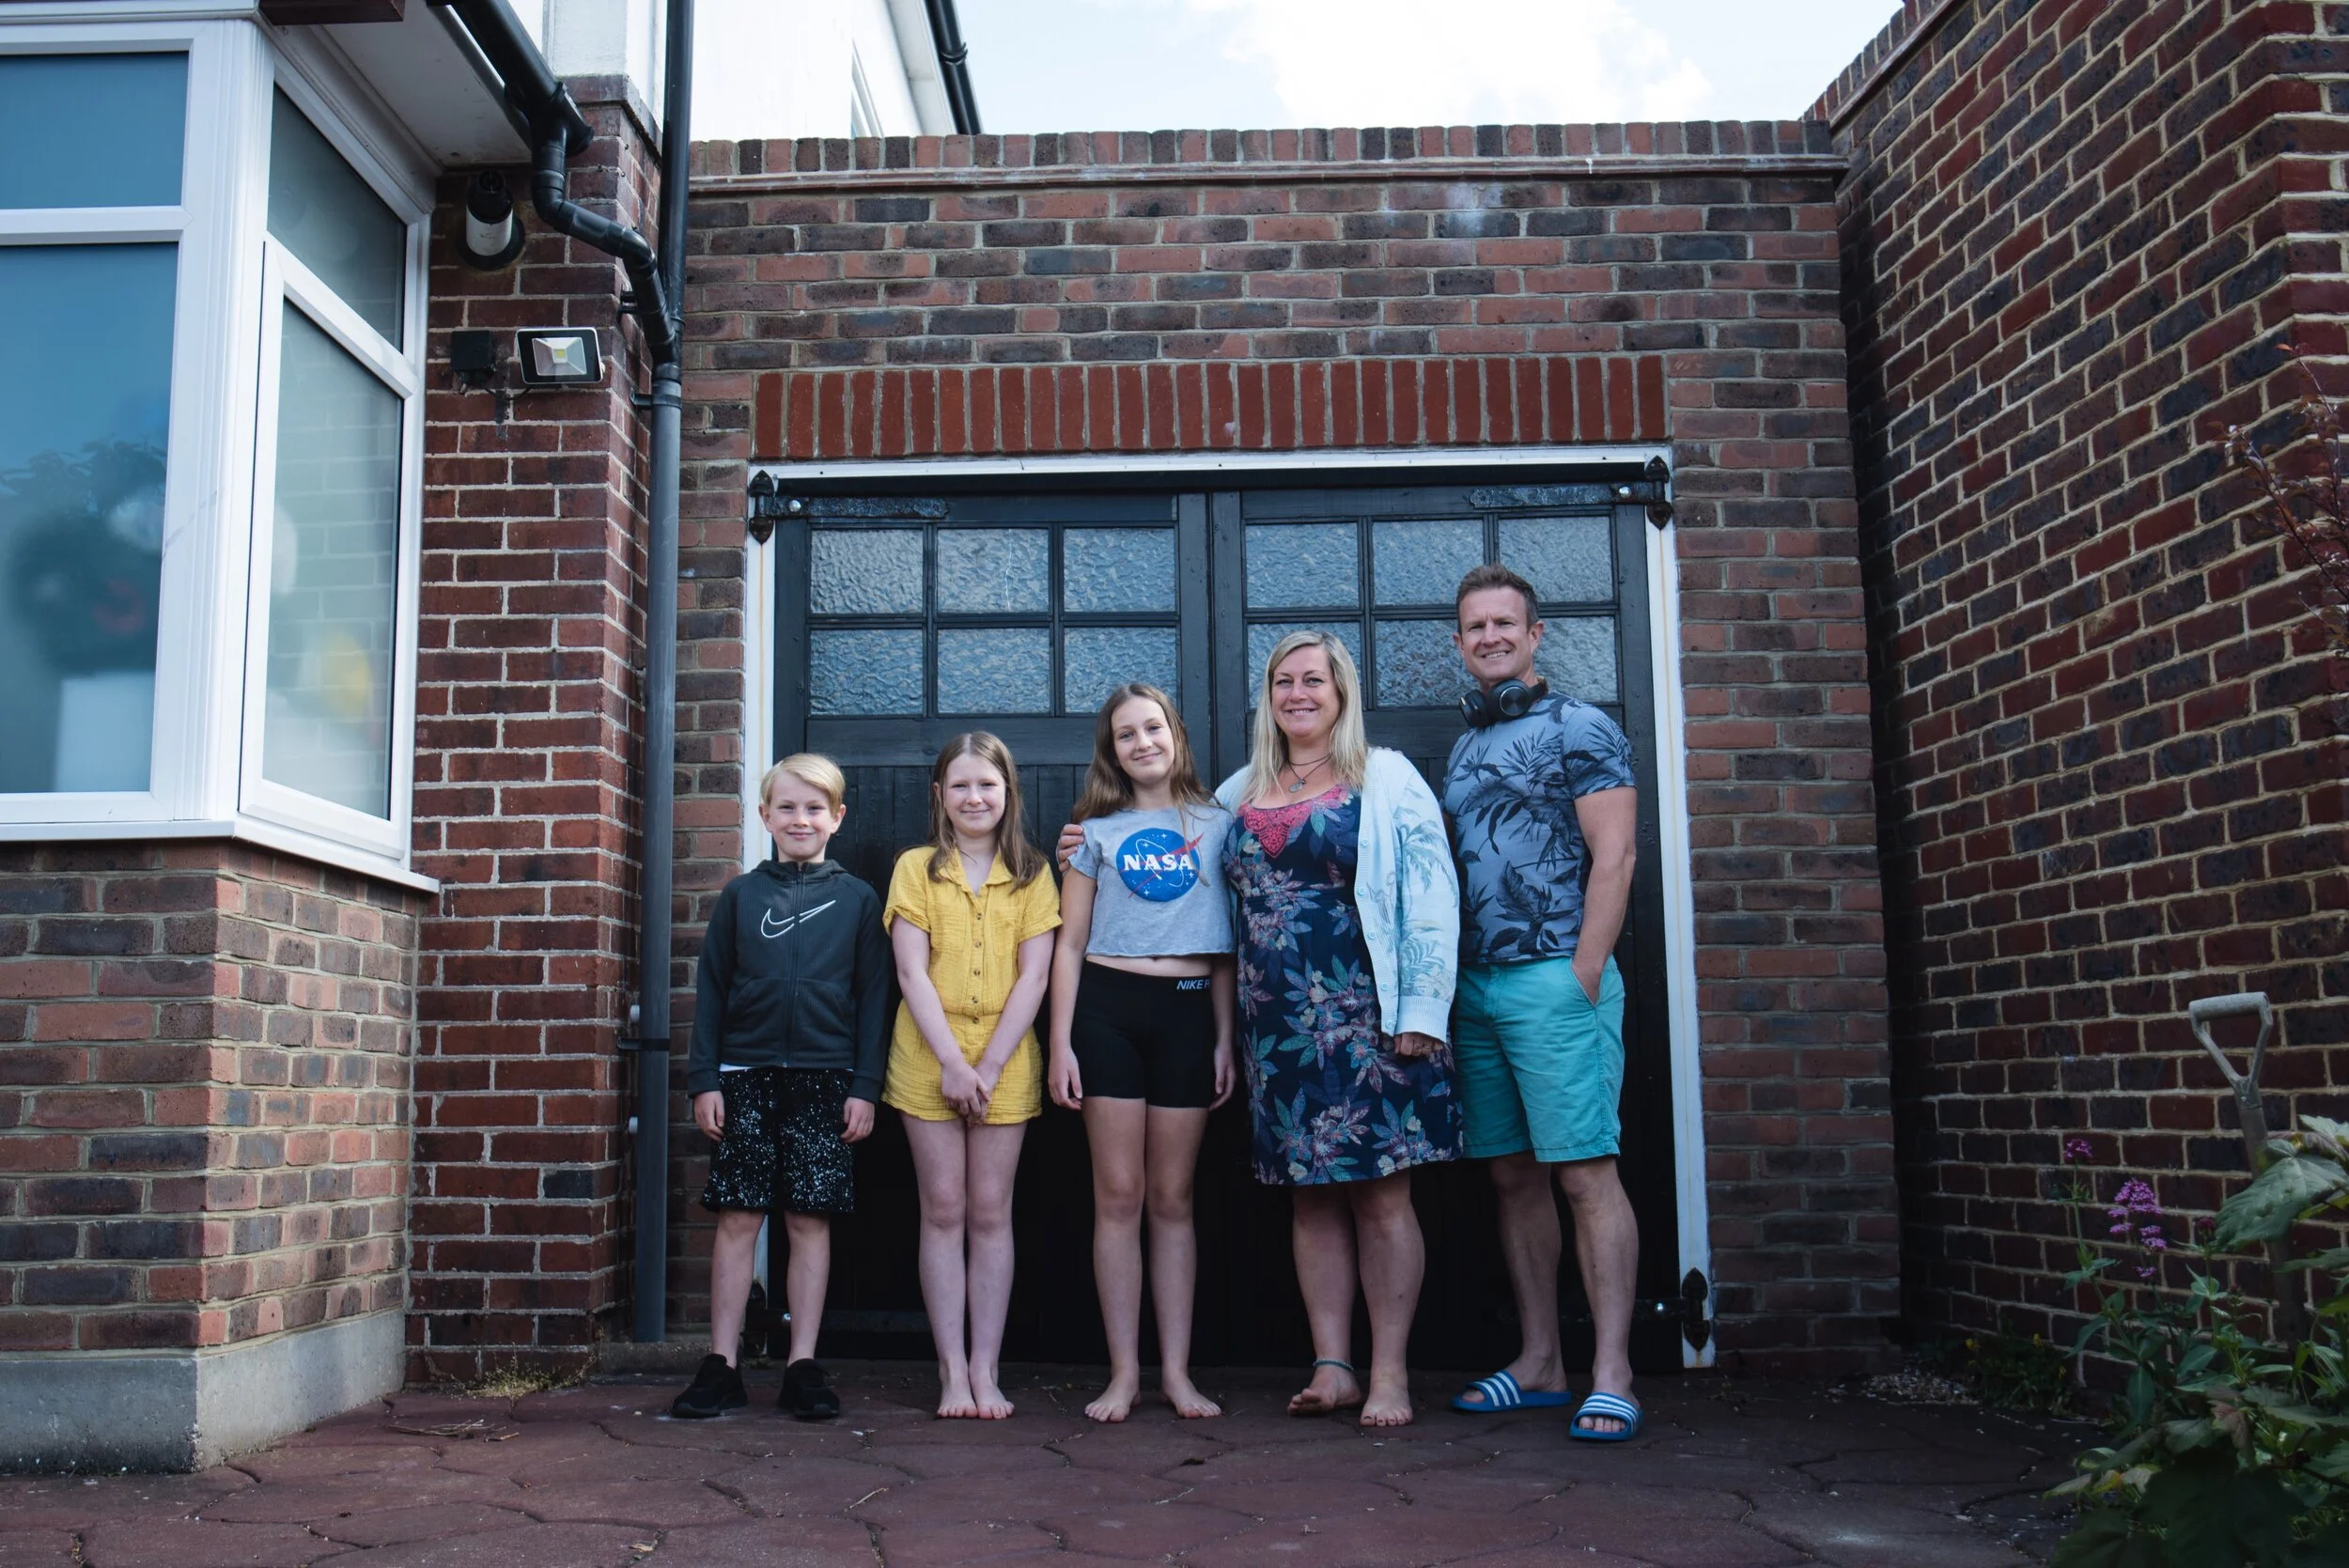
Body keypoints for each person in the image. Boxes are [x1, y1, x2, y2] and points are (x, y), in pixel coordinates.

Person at [1219, 630, 1460, 1428]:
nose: (1297, 694)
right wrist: (1091, 846)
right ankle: (1334, 1366)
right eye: (1283, 682)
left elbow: (1431, 892)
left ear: (1341, 691)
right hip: (1277, 1028)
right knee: (1310, 1200)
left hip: (1371, 1016)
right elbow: (1168, 856)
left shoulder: (1384, 776)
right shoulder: (1239, 792)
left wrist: (1423, 1011)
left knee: (1383, 1197)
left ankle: (1389, 1371)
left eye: (1313, 680)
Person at [1440, 563, 1643, 1441]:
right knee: (1513, 1174)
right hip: (1478, 988)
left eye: (1504, 624)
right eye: (1475, 627)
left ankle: (1613, 1370)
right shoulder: (1463, 744)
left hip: (1557, 977)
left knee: (1585, 1172)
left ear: (1536, 633)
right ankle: (1541, 1362)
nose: (1490, 637)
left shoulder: (1581, 726)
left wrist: (1584, 972)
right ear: (1461, 643)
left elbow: (1618, 856)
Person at [672, 753, 892, 1421]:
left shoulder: (857, 898)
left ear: (838, 818)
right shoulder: (742, 895)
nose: (801, 819)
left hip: (826, 1079)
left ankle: (802, 1363)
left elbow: (875, 997)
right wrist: (705, 1077)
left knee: (808, 1218)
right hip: (746, 1073)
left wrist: (865, 1084)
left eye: (815, 808)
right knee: (739, 1215)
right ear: (764, 814)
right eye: (787, 807)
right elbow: (710, 989)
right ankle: (722, 1363)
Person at [1047, 684, 1237, 1424]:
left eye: (1153, 727)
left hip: (1187, 1011)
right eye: (1126, 735)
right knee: (1118, 1195)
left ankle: (1177, 1374)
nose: (1143, 742)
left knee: (1173, 1199)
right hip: (1106, 1014)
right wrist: (1060, 1040)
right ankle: (1124, 1371)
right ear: (1112, 751)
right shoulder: (1093, 832)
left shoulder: (1219, 824)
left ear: (1176, 734)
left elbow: (1224, 948)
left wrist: (1224, 1035)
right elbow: (1067, 945)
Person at [883, 733, 1060, 1420]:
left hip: (1006, 1059)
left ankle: (987, 1368)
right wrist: (954, 1063)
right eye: (960, 785)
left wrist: (986, 1064)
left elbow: (1037, 974)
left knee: (990, 1213)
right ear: (939, 796)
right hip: (929, 1054)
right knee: (944, 1209)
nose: (974, 797)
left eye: (987, 784)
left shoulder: (1033, 874)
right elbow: (909, 972)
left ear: (1007, 792)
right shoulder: (915, 869)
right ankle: (950, 1371)